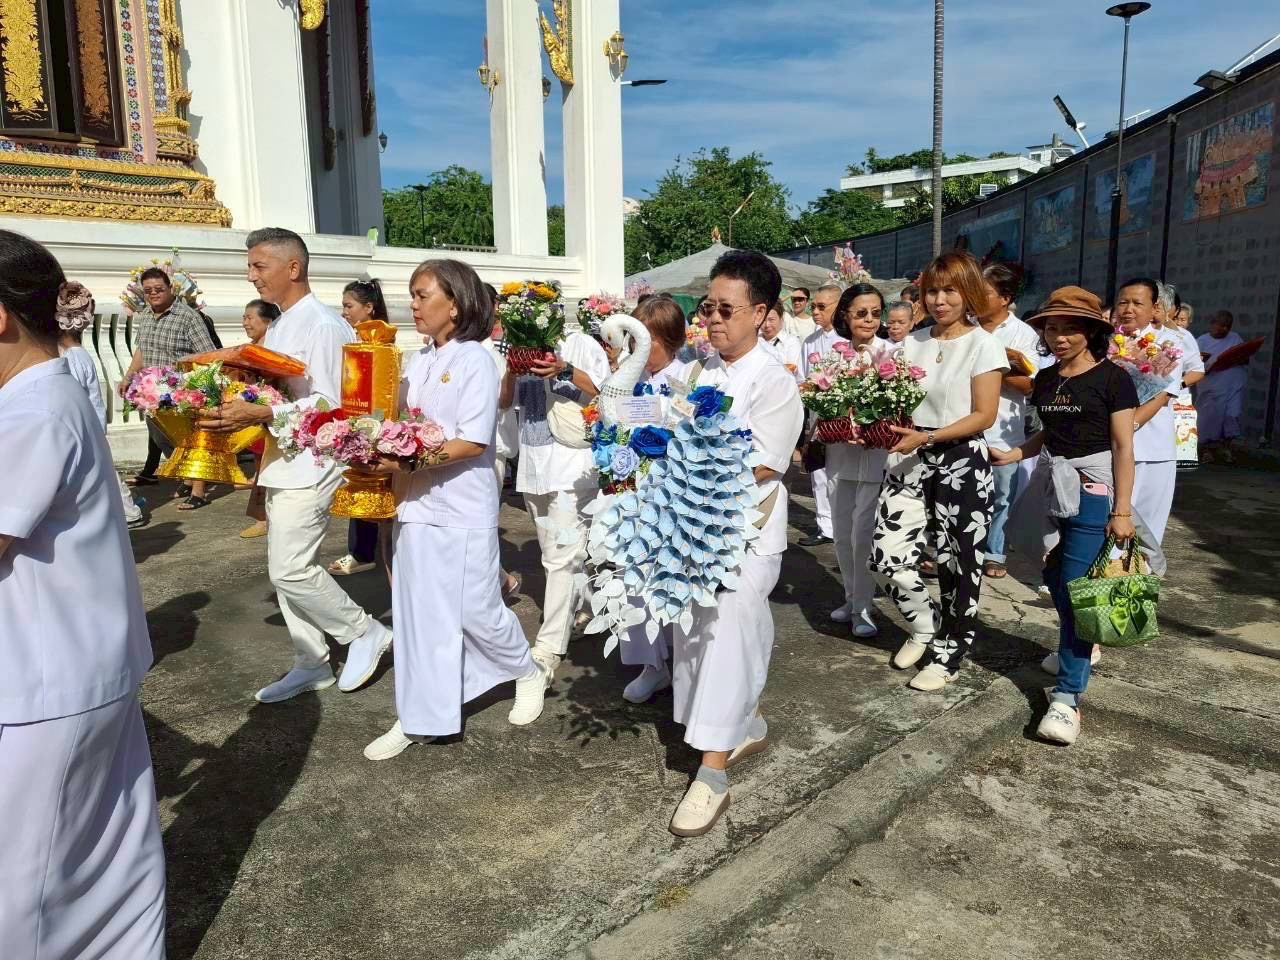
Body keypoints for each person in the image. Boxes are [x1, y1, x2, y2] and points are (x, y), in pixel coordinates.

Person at [0, 231, 166, 959]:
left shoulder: (29, 413)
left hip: (46, 683)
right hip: (80, 666)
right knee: (107, 870)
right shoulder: (54, 392)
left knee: (25, 899)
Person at [362, 260, 544, 759]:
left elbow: (471, 440)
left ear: (455, 304)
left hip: (462, 502)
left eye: (422, 295)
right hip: (415, 501)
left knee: (475, 609)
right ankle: (419, 714)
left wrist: (405, 457)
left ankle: (527, 671)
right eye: (413, 295)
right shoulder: (417, 360)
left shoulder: (476, 360)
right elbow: (397, 421)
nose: (413, 305)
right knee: (418, 615)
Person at [200, 227, 391, 702]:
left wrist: (263, 411)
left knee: (290, 569)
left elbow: (335, 401)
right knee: (284, 570)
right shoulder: (282, 324)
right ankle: (311, 661)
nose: (251, 277)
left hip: (316, 458)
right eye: (249, 267)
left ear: (293, 268)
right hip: (284, 457)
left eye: (258, 266)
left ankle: (363, 631)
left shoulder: (324, 325)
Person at [667, 250, 803, 837]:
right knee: (696, 635)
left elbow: (762, 468)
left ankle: (713, 772)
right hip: (691, 529)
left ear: (761, 313)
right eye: (708, 307)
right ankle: (741, 725)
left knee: (725, 638)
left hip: (743, 536)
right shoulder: (700, 370)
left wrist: (680, 466)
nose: (713, 319)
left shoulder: (774, 382)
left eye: (727, 309)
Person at [992, 287, 1140, 745]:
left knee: (1078, 591)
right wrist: (1014, 452)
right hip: (1051, 487)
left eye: (1070, 328)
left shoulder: (1114, 379)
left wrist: (1122, 509)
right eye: (1051, 328)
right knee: (1053, 576)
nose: (1059, 337)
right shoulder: (1048, 379)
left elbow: (1122, 446)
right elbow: (1047, 435)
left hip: (1095, 492)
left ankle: (1068, 699)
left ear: (1092, 332)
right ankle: (1076, 643)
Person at [869, 251, 1007, 691]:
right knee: (886, 556)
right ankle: (925, 626)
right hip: (908, 455)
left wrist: (928, 437)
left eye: (950, 290)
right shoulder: (912, 342)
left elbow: (984, 415)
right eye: (932, 291)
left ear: (968, 293)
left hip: (960, 462)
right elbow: (893, 399)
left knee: (956, 565)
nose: (940, 300)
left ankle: (950, 651)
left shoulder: (984, 343)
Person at [498, 292, 609, 714]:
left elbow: (603, 394)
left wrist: (564, 368)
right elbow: (504, 403)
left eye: (531, 310)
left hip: (571, 469)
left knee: (559, 557)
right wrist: (511, 371)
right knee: (557, 551)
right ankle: (584, 609)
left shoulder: (581, 344)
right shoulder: (514, 349)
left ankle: (547, 650)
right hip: (532, 467)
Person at [618, 294, 693, 703]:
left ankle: (682, 662)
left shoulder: (689, 377)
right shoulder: (628, 378)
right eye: (634, 341)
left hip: (675, 497)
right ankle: (651, 664)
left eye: (648, 342)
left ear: (672, 339)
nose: (639, 351)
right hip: (635, 495)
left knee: (673, 578)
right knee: (636, 580)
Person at [120, 265, 218, 509]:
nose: (154, 293)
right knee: (163, 440)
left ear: (170, 288)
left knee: (189, 440)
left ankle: (199, 491)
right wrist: (128, 377)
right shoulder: (143, 316)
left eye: (159, 289)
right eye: (148, 290)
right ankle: (187, 477)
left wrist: (195, 387)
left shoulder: (188, 317)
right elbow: (142, 351)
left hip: (181, 392)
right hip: (152, 393)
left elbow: (206, 355)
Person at [55, 282, 149, 530]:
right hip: (89, 424)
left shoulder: (72, 358)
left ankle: (129, 511)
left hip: (85, 425)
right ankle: (125, 509)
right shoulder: (76, 354)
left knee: (104, 472)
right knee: (102, 471)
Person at [826, 283, 891, 638]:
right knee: (840, 535)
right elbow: (819, 400)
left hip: (876, 458)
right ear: (846, 316)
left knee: (862, 537)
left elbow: (902, 404)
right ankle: (851, 598)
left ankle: (865, 609)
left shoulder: (891, 354)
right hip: (841, 455)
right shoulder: (834, 354)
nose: (868, 319)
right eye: (861, 313)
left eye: (875, 313)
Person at [1113, 278, 1190, 546]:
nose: (1128, 309)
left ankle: (1140, 579)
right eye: (1123, 302)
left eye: (1137, 303)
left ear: (1154, 307)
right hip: (1111, 445)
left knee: (1148, 522)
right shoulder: (1105, 342)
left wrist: (1130, 424)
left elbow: (1164, 393)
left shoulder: (1169, 344)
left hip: (1153, 446)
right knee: (1112, 515)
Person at [976, 262, 1041, 580]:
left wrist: (996, 366)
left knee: (1001, 497)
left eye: (984, 292)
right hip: (963, 427)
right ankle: (952, 549)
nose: (976, 297)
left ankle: (995, 553)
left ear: (1004, 298)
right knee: (961, 494)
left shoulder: (1023, 334)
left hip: (1004, 430)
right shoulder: (966, 326)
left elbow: (1031, 385)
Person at [327, 279, 389, 577]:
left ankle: (363, 552)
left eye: (349, 306)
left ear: (369, 307)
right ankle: (364, 549)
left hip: (375, 422)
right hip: (356, 417)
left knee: (368, 484)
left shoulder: (382, 342)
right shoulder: (353, 339)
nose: (345, 312)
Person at [481, 283, 523, 601]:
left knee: (481, 525)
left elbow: (504, 401)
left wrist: (511, 369)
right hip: (463, 449)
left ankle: (497, 582)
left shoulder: (495, 351)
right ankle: (498, 579)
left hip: (489, 446)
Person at [798, 283, 846, 546]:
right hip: (818, 414)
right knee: (818, 472)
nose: (815, 311)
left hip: (844, 414)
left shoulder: (849, 339)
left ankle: (843, 525)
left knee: (841, 472)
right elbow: (803, 377)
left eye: (821, 306)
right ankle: (824, 526)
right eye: (813, 306)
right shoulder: (810, 341)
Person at [238, 298, 280, 540]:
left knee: (268, 466)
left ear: (268, 321)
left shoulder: (274, 349)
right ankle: (262, 516)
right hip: (253, 416)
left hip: (270, 415)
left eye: (250, 317)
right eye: (244, 317)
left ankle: (266, 517)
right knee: (259, 465)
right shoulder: (251, 348)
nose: (245, 322)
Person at [1155, 283, 1205, 470]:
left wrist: (1177, 385)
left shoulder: (1183, 337)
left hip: (1173, 402)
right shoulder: (1131, 334)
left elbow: (1197, 371)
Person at [1196, 309, 1248, 461]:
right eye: (1221, 325)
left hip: (1233, 385)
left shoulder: (1235, 338)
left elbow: (1245, 358)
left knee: (1232, 415)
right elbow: (1194, 365)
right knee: (1208, 418)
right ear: (1212, 324)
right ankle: (1205, 450)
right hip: (1211, 386)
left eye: (1228, 326)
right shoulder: (1202, 341)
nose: (1224, 329)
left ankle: (1226, 448)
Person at [760, 298, 803, 378]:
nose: (767, 325)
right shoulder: (755, 340)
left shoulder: (791, 342)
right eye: (763, 320)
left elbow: (792, 367)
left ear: (781, 319)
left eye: (771, 320)